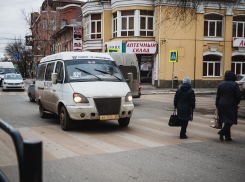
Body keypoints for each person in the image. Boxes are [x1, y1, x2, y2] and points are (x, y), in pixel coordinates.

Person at [216, 70, 241, 141]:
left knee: (225, 120)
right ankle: (222, 132)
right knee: (231, 120)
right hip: (231, 104)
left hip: (221, 104)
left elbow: (218, 96)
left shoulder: (221, 84)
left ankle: (227, 137)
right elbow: (238, 95)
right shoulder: (234, 84)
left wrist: (217, 105)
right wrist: (237, 102)